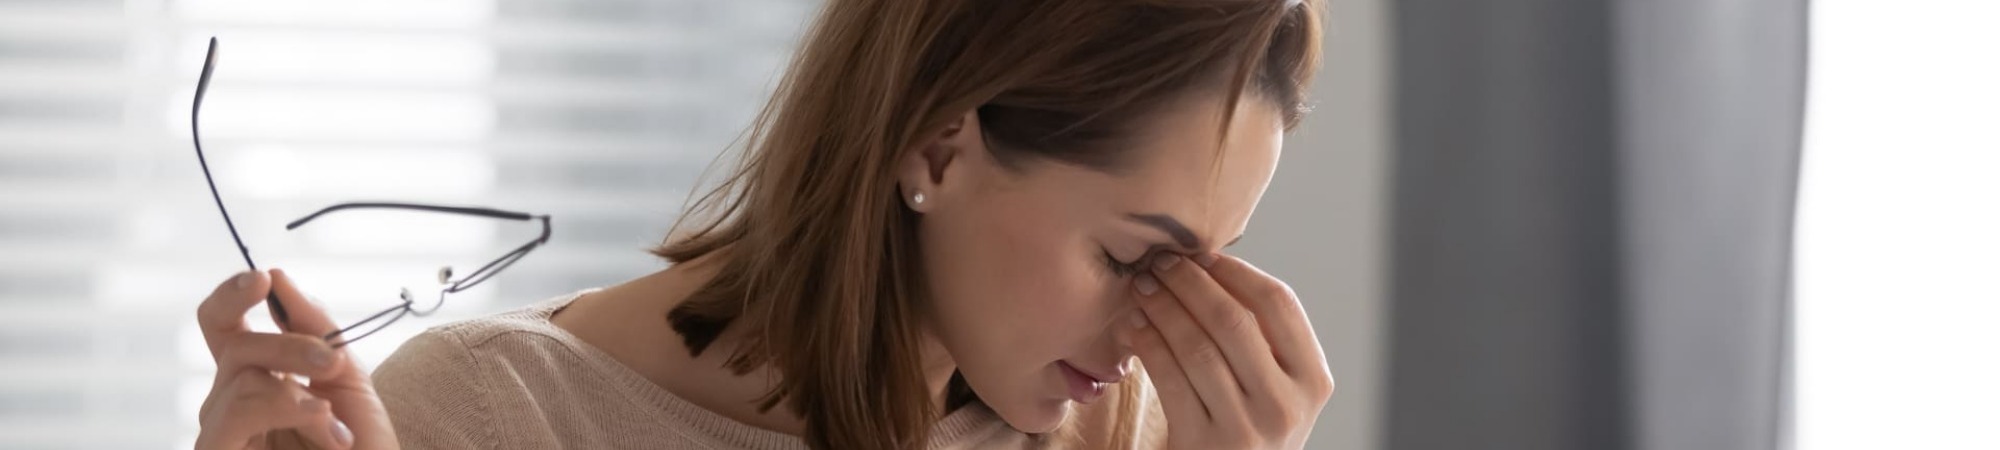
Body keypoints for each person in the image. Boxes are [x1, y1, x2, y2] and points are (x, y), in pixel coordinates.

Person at [190, 0, 1331, 448]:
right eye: (1132, 257)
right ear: (937, 148)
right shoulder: (496, 415)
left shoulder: (1115, 431)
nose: (1157, 329)